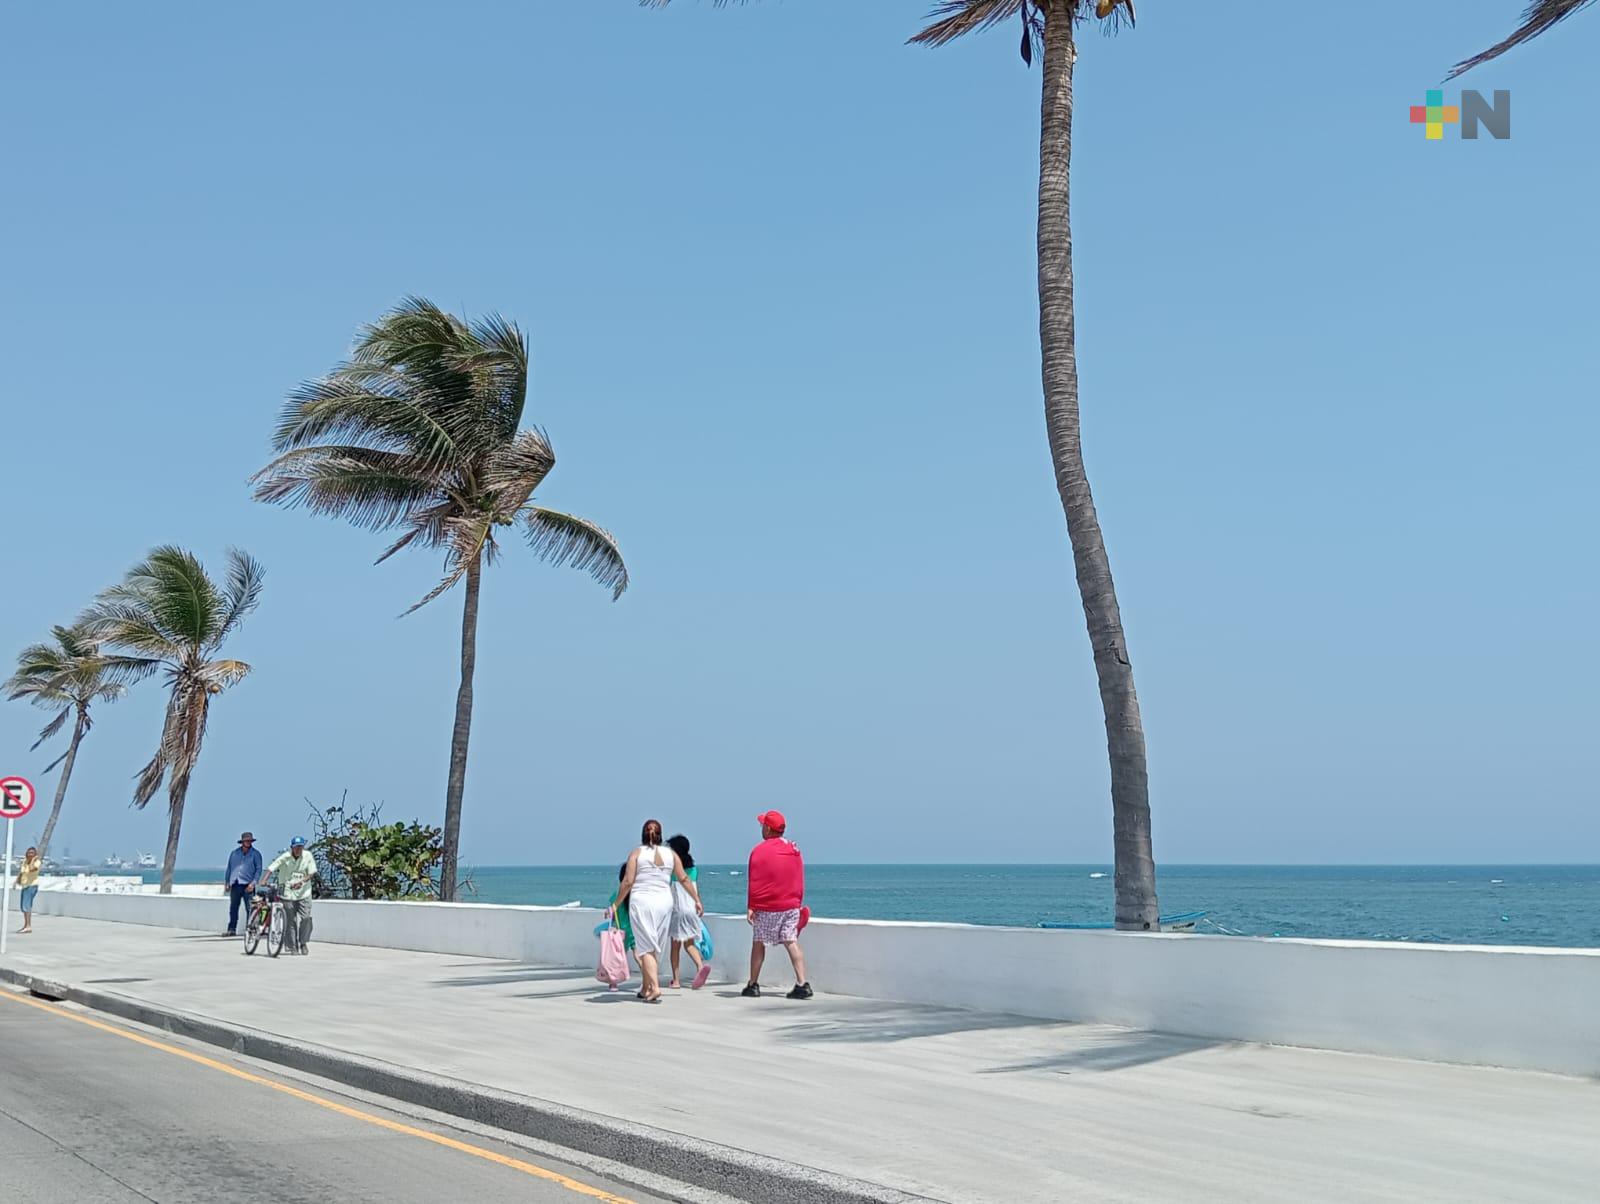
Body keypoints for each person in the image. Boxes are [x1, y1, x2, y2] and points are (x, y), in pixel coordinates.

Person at [615, 819, 702, 1002]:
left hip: (642, 902)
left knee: (646, 947)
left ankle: (654, 988)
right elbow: (684, 878)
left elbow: (628, 882)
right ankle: (645, 988)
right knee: (654, 946)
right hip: (664, 903)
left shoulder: (637, 853)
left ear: (643, 834)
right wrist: (696, 900)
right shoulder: (671, 854)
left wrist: (616, 904)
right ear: (660, 835)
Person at [743, 810, 812, 999]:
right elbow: (798, 876)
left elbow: (755, 881)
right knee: (791, 941)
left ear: (767, 828)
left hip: (767, 907)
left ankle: (753, 984)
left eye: (762, 825)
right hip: (791, 905)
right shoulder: (793, 848)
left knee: (759, 942)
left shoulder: (759, 851)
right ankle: (802, 983)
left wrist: (751, 906)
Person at [666, 834, 711, 990]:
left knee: (675, 946)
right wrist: (699, 903)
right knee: (690, 943)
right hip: (692, 908)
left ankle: (676, 980)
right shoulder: (693, 869)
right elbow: (694, 889)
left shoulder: (672, 869)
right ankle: (700, 966)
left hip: (678, 910)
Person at [259, 836, 317, 955]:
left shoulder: (307, 856)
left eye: (300, 847)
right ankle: (292, 946)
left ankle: (303, 942)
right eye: (296, 847)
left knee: (306, 918)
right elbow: (272, 868)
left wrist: (301, 882)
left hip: (304, 892)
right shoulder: (285, 857)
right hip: (287, 893)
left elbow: (311, 873)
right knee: (290, 921)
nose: (298, 850)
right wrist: (264, 880)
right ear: (292, 848)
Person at [223, 831, 262, 936]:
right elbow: (229, 868)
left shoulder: (256, 854)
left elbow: (258, 870)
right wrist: (227, 882)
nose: (248, 842)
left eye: (249, 840)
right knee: (233, 908)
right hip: (235, 883)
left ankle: (250, 929)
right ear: (242, 842)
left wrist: (253, 883)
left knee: (250, 909)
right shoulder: (234, 853)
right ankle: (231, 929)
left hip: (248, 884)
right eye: (246, 841)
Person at [14, 846, 42, 934]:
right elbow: (22, 872)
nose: (30, 854)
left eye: (32, 853)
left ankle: (28, 926)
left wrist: (33, 860)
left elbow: (31, 869)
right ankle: (26, 925)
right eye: (29, 852)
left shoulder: (37, 862)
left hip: (31, 886)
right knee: (23, 906)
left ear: (35, 854)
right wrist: (17, 881)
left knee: (26, 906)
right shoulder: (25, 862)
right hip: (25, 886)